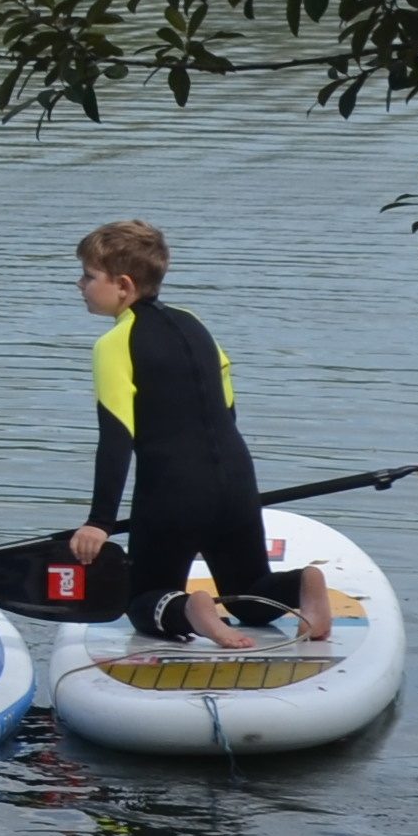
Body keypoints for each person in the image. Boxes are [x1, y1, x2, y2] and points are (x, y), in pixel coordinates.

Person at [67, 219, 333, 649]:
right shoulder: (194, 324)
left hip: (173, 491)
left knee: (142, 599)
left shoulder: (115, 344)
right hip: (236, 478)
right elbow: (228, 409)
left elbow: (117, 437)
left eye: (88, 275)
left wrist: (98, 522)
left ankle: (191, 609)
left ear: (123, 286)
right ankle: (302, 584)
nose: (79, 284)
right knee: (250, 592)